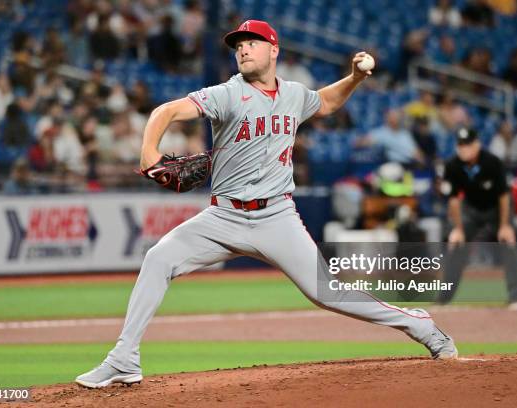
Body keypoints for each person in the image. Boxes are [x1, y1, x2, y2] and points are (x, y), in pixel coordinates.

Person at [75, 19, 458, 389]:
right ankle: (125, 358)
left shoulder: (292, 94)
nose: (242, 49)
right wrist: (148, 149)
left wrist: (355, 79)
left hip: (276, 216)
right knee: (158, 259)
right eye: (238, 45)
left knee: (328, 293)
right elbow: (167, 111)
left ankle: (420, 325)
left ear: (273, 50)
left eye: (251, 43)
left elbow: (323, 103)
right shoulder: (228, 93)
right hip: (223, 216)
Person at [438, 128, 517, 308]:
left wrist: (505, 225)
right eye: (460, 145)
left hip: (496, 209)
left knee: (507, 243)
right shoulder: (452, 166)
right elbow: (454, 200)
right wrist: (458, 229)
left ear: (477, 145)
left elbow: (504, 196)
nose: (463, 149)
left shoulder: (492, 162)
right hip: (471, 209)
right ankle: (443, 300)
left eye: (467, 145)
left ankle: (516, 298)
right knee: (456, 246)